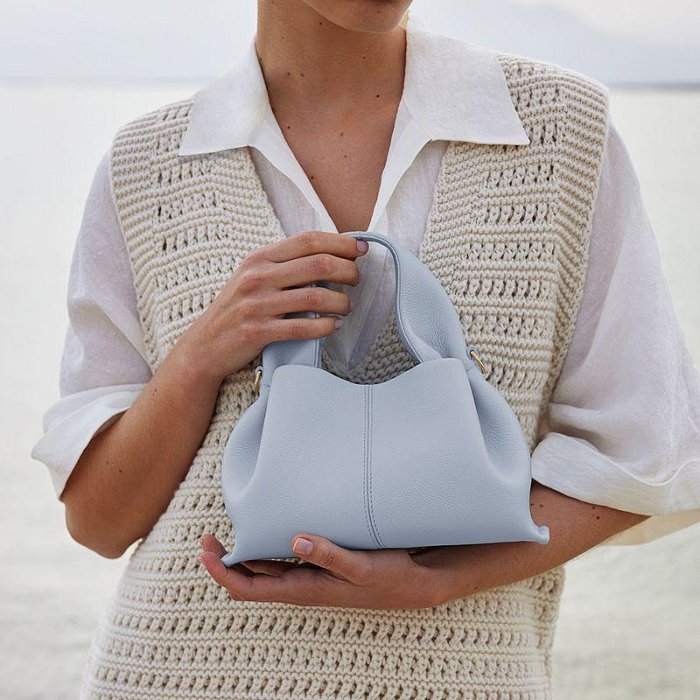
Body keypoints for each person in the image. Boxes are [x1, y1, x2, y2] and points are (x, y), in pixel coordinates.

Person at [31, 1, 700, 698]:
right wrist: (200, 353)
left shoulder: (557, 130)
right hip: (174, 674)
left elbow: (642, 453)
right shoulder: (146, 166)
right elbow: (98, 522)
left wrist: (440, 581)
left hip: (461, 679)